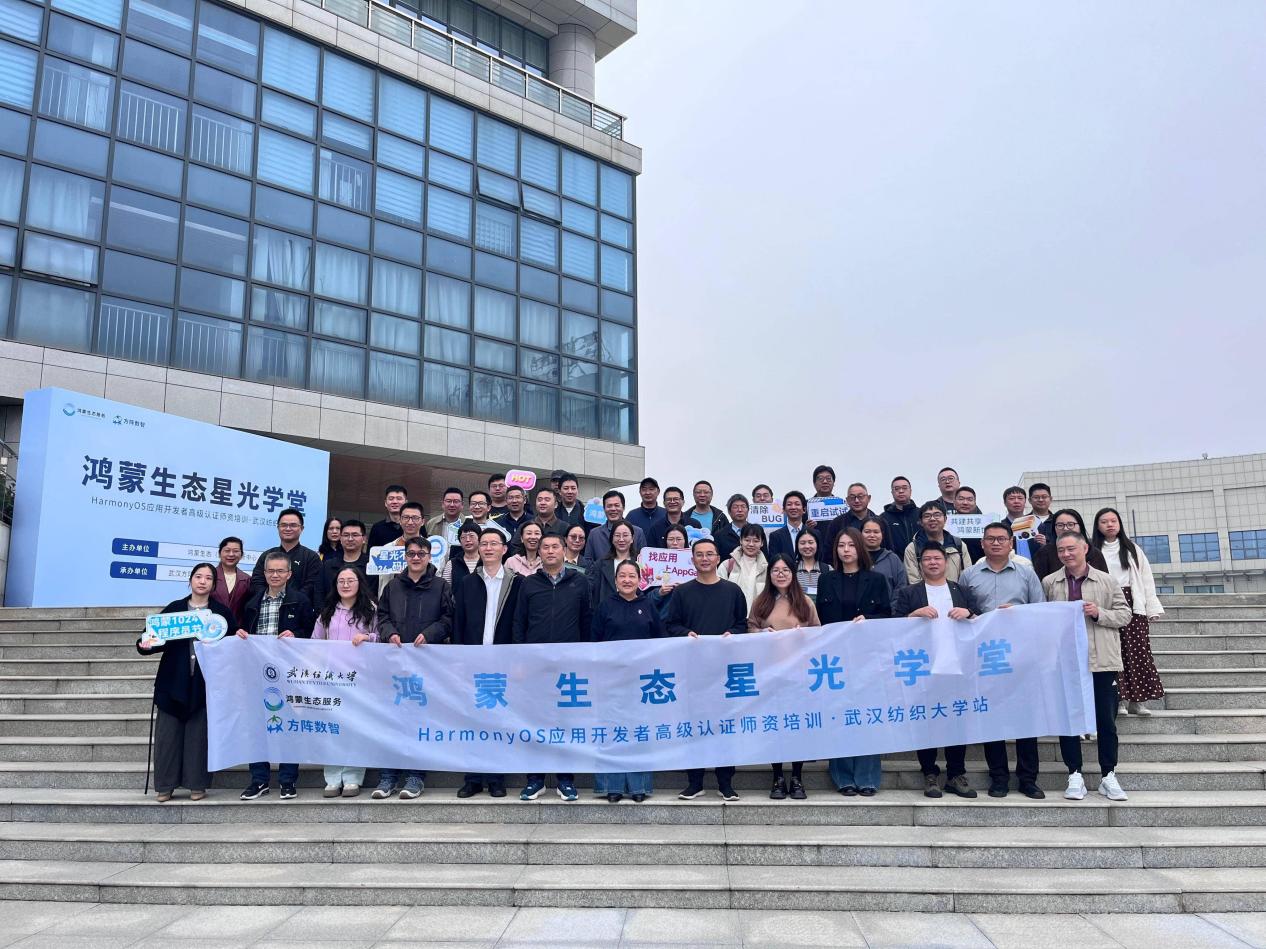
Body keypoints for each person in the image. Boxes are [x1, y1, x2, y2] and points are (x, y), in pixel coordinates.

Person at [1043, 532, 1133, 802]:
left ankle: (1109, 775)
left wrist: (1098, 613)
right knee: (1069, 720)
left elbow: (1125, 615)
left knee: (1105, 720)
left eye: (1071, 548)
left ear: (1085, 548)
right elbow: (1042, 618)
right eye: (1061, 550)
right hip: (1065, 662)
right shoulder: (1050, 582)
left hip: (1100, 659)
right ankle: (1074, 773)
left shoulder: (1106, 580)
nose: (1066, 554)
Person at [958, 523, 1046, 800]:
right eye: (990, 539)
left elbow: (1039, 610)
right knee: (991, 717)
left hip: (1020, 654)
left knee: (1025, 718)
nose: (996, 543)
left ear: (1011, 543)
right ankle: (998, 777)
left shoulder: (1026, 573)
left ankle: (1028, 779)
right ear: (982, 544)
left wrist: (1018, 613)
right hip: (986, 656)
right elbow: (963, 611)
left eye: (1001, 539)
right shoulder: (968, 575)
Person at [137, 562, 235, 803]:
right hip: (173, 683)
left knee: (199, 737)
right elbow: (150, 639)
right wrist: (145, 644)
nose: (202, 581)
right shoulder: (174, 610)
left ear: (214, 584)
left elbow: (232, 646)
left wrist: (239, 638)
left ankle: (197, 784)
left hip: (205, 685)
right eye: (198, 576)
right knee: (167, 737)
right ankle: (165, 786)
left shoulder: (221, 614)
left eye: (208, 578)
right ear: (190, 580)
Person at [894, 544, 981, 799]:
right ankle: (929, 773)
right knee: (926, 722)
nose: (932, 562)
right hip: (923, 669)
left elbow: (981, 623)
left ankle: (956, 774)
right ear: (920, 564)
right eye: (927, 559)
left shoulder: (962, 591)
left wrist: (970, 613)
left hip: (957, 667)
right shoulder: (910, 593)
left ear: (946, 562)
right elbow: (893, 626)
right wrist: (913, 614)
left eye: (937, 558)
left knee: (957, 722)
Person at [665, 539, 748, 801]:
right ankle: (695, 782)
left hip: (725, 672)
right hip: (693, 670)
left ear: (718, 558)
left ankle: (725, 783)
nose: (704, 559)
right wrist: (685, 633)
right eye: (699, 555)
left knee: (725, 726)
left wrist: (731, 634)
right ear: (692, 560)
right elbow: (672, 625)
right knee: (694, 726)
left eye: (709, 554)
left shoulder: (732, 591)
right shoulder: (682, 592)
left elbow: (742, 625)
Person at [372, 537, 453, 801]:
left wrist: (430, 634)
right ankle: (388, 776)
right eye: (411, 553)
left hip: (426, 664)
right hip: (395, 663)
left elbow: (448, 619)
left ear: (429, 557)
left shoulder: (441, 586)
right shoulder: (393, 586)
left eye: (421, 553)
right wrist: (389, 633)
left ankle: (415, 775)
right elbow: (382, 616)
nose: (416, 558)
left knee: (420, 720)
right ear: (405, 556)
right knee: (391, 719)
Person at [513, 534, 592, 802]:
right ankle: (535, 780)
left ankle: (565, 780)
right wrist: (520, 661)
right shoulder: (528, 583)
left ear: (564, 550)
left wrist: (586, 658)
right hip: (535, 665)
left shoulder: (580, 582)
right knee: (535, 721)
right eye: (545, 547)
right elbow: (519, 623)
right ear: (539, 551)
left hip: (569, 666)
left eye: (555, 547)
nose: (549, 551)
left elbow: (587, 621)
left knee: (566, 723)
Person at [816, 530, 892, 797]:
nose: (846, 550)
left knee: (867, 715)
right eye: (841, 545)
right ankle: (843, 776)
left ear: (860, 548)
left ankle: (867, 777)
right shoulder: (826, 580)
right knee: (840, 714)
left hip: (867, 657)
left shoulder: (877, 579)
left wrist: (868, 620)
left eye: (851, 545)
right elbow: (820, 619)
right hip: (835, 659)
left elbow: (887, 615)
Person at [237, 551, 314, 801]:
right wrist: (241, 635)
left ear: (289, 574)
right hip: (256, 671)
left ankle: (287, 780)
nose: (275, 575)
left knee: (289, 725)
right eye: (271, 571)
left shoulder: (300, 600)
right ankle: (259, 780)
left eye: (280, 571)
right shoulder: (252, 601)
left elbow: (311, 633)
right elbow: (244, 629)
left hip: (288, 673)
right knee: (256, 727)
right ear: (264, 573)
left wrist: (296, 635)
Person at [452, 528, 521, 798]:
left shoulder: (516, 583)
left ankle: (495, 778)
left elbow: (519, 623)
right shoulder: (468, 582)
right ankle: (472, 778)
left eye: (494, 543)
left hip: (503, 661)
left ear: (504, 549)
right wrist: (459, 659)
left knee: (498, 721)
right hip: (473, 661)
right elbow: (458, 622)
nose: (488, 548)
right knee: (473, 720)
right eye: (484, 544)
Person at [591, 560, 665, 802]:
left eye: (632, 576)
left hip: (642, 681)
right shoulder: (605, 606)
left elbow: (660, 640)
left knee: (639, 732)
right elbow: (594, 642)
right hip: (610, 680)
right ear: (615, 580)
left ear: (639, 580)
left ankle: (638, 786)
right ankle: (611, 786)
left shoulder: (648, 605)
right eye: (622, 576)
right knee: (612, 731)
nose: (627, 580)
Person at [748, 554, 820, 800]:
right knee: (775, 726)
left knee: (797, 725)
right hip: (770, 673)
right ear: (769, 574)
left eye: (785, 570)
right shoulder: (761, 602)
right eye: (776, 570)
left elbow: (818, 633)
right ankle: (777, 776)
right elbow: (750, 628)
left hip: (798, 674)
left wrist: (804, 635)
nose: (780, 574)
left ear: (793, 573)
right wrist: (761, 633)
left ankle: (797, 776)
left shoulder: (805, 602)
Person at [1093, 508, 1166, 716]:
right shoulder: (1092, 549)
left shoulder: (1132, 548)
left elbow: (1146, 579)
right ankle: (1119, 700)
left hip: (1132, 602)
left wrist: (1151, 607)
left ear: (1119, 524)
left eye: (1113, 521)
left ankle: (1138, 701)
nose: (1109, 525)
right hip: (1106, 602)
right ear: (1097, 526)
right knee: (1112, 653)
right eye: (1104, 521)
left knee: (1137, 652)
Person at [311, 565, 377, 798]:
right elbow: (314, 644)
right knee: (333, 729)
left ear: (360, 583)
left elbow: (382, 639)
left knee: (355, 729)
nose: (346, 585)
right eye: (341, 581)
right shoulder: (327, 612)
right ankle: (332, 778)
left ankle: (352, 778)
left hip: (360, 680)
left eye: (350, 580)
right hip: (331, 680)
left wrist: (368, 637)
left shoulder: (370, 610)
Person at [249, 508, 321, 602]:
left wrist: (291, 601)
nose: (288, 529)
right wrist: (271, 599)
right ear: (278, 528)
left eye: (293, 525)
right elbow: (257, 582)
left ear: (301, 528)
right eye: (283, 525)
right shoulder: (266, 555)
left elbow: (312, 586)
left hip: (299, 607)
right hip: (268, 605)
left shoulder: (311, 557)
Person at [903, 502, 972, 584]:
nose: (932, 519)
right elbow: (914, 581)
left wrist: (955, 591)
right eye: (927, 516)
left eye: (937, 515)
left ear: (945, 519)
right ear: (920, 522)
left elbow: (967, 577)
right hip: (925, 592)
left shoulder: (958, 545)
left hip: (956, 591)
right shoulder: (913, 548)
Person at [1032, 509, 1108, 579]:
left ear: (1080, 526)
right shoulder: (1044, 553)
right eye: (1060, 525)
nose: (1065, 528)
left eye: (1071, 524)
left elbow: (1105, 581)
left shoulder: (1094, 552)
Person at [587, 519, 638, 608]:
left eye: (625, 535)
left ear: (632, 538)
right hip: (607, 612)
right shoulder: (600, 564)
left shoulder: (640, 561)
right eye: (617, 535)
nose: (621, 539)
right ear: (612, 539)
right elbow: (592, 593)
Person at [583, 490, 647, 560]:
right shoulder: (594, 534)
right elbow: (588, 561)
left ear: (623, 507)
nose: (613, 509)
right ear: (604, 509)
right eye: (609, 506)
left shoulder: (638, 532)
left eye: (617, 505)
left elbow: (643, 561)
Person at [318, 518, 369, 603]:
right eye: (346, 535)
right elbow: (319, 593)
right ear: (341, 539)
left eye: (355, 535)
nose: (350, 539)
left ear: (364, 539)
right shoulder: (328, 565)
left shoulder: (372, 565)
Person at [719, 523, 768, 610]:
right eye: (747, 540)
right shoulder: (727, 565)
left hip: (758, 616)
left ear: (762, 543)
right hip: (732, 616)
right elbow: (718, 593)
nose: (751, 544)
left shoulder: (767, 569)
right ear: (740, 541)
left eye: (756, 541)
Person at [822, 482, 877, 557]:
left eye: (860, 496)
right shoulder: (837, 523)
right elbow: (828, 552)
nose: (856, 500)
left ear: (869, 498)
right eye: (852, 497)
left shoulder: (879, 522)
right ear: (847, 500)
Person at [650, 524, 690, 619]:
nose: (675, 543)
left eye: (679, 539)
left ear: (685, 540)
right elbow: (645, 599)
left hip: (688, 619)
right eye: (671, 539)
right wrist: (659, 592)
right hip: (663, 619)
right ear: (665, 541)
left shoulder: (694, 562)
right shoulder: (654, 563)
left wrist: (687, 590)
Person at [859, 516, 906, 597]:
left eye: (876, 532)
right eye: (867, 532)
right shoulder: (854, 557)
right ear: (860, 533)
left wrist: (893, 605)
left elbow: (901, 587)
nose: (872, 535)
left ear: (882, 534)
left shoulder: (893, 559)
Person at [212, 536, 251, 626]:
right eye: (227, 550)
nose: (231, 554)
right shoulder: (209, 576)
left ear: (241, 555)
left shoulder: (247, 579)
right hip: (211, 628)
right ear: (219, 553)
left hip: (238, 631)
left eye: (236, 551)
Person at [716, 494, 768, 561]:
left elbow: (765, 557)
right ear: (729, 511)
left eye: (743, 507)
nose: (740, 510)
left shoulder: (758, 531)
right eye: (735, 507)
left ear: (748, 510)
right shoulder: (720, 535)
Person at [881, 476, 921, 556]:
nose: (901, 491)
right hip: (894, 561)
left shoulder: (921, 514)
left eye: (904, 488)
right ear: (892, 493)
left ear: (910, 491)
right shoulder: (883, 518)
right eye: (897, 489)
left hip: (921, 560)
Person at [768, 491, 814, 560]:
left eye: (797, 504)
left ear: (804, 509)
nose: (793, 507)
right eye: (789, 504)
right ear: (784, 510)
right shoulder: (775, 536)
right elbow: (774, 561)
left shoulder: (814, 533)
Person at [1002, 486, 1040, 560]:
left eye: (1020, 498)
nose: (1016, 501)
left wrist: (1044, 544)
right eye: (1012, 498)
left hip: (1036, 565)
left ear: (1025, 501)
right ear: (1005, 503)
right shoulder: (1001, 527)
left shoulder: (1036, 523)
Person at [626, 476, 668, 540]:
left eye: (651, 489)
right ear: (640, 492)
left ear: (658, 491)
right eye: (644, 489)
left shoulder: (666, 514)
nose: (647, 493)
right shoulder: (631, 516)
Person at [368, 484, 408, 549]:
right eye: (391, 499)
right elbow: (371, 552)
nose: (395, 502)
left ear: (406, 502)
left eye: (399, 499)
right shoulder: (377, 528)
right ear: (385, 503)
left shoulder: (416, 525)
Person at [442, 520, 482, 585]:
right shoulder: (451, 564)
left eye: (471, 536)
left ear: (479, 539)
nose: (468, 540)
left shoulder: (486, 561)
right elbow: (446, 588)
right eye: (463, 537)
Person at [793, 529, 829, 601]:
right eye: (802, 543)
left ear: (817, 544)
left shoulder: (828, 569)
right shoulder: (791, 569)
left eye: (810, 542)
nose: (807, 546)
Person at [953, 487, 985, 562]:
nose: (965, 503)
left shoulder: (985, 524)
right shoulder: (946, 524)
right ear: (954, 502)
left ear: (975, 503)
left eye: (970, 499)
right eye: (961, 499)